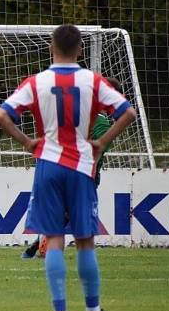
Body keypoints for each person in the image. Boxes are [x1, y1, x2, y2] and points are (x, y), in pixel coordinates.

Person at [0, 25, 136, 311]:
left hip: (48, 164)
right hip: (82, 166)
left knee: (54, 238)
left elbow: (1, 115)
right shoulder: (93, 81)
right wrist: (101, 141)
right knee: (85, 240)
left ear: (51, 47)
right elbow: (128, 113)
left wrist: (27, 142)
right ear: (81, 50)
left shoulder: (37, 82)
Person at [21, 76, 124, 259]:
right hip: (81, 173)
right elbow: (96, 151)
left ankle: (40, 243)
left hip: (55, 166)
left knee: (62, 211)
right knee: (76, 218)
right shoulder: (101, 122)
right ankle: (46, 244)